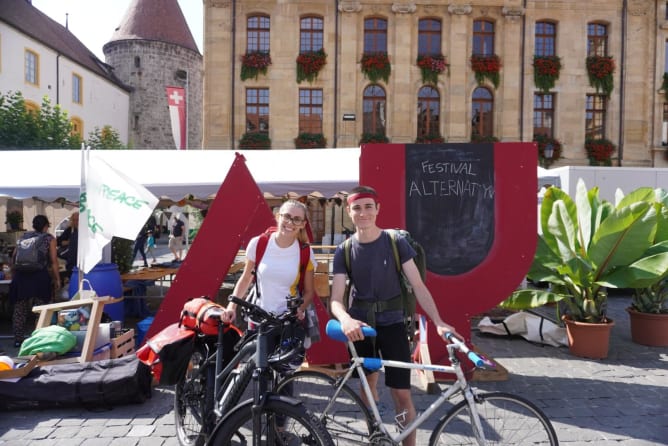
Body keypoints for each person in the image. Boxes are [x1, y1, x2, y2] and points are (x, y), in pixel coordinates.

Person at [329, 185, 460, 446]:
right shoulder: (344, 250)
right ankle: (376, 434)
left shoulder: (395, 242)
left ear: (378, 209)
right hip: (360, 326)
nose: (363, 213)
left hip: (393, 324)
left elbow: (419, 286)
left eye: (368, 207)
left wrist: (438, 322)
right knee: (367, 386)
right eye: (357, 208)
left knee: (401, 394)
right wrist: (345, 319)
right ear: (349, 212)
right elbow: (336, 298)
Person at [221, 199, 316, 372]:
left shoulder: (305, 252)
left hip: (287, 323)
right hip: (259, 319)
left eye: (296, 219)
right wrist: (231, 307)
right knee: (259, 373)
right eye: (287, 216)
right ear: (278, 216)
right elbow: (246, 279)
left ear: (303, 224)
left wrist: (300, 309)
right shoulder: (259, 243)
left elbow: (309, 292)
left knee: (285, 376)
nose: (290, 222)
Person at [9, 215, 61, 348]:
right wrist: (57, 279)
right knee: (42, 309)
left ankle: (18, 339)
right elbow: (54, 261)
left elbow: (14, 258)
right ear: (46, 226)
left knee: (20, 310)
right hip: (39, 277)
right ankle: (39, 338)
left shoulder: (23, 237)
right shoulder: (49, 238)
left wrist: (14, 275)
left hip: (21, 277)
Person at [57, 211, 79, 281]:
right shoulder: (69, 230)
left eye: (77, 220)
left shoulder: (86, 231)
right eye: (74, 220)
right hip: (71, 262)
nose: (76, 222)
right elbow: (58, 241)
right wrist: (69, 242)